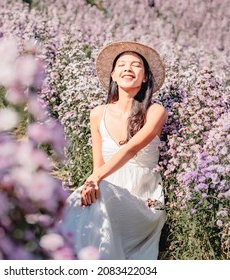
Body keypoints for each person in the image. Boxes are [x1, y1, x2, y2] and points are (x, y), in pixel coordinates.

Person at [61, 41, 167, 260]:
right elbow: (97, 165)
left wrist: (95, 179)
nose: (128, 68)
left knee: (100, 197)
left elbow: (130, 149)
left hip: (143, 200)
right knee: (79, 202)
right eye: (122, 65)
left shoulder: (155, 111)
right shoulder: (97, 114)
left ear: (145, 77)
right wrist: (94, 180)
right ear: (114, 75)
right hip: (107, 191)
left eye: (136, 65)